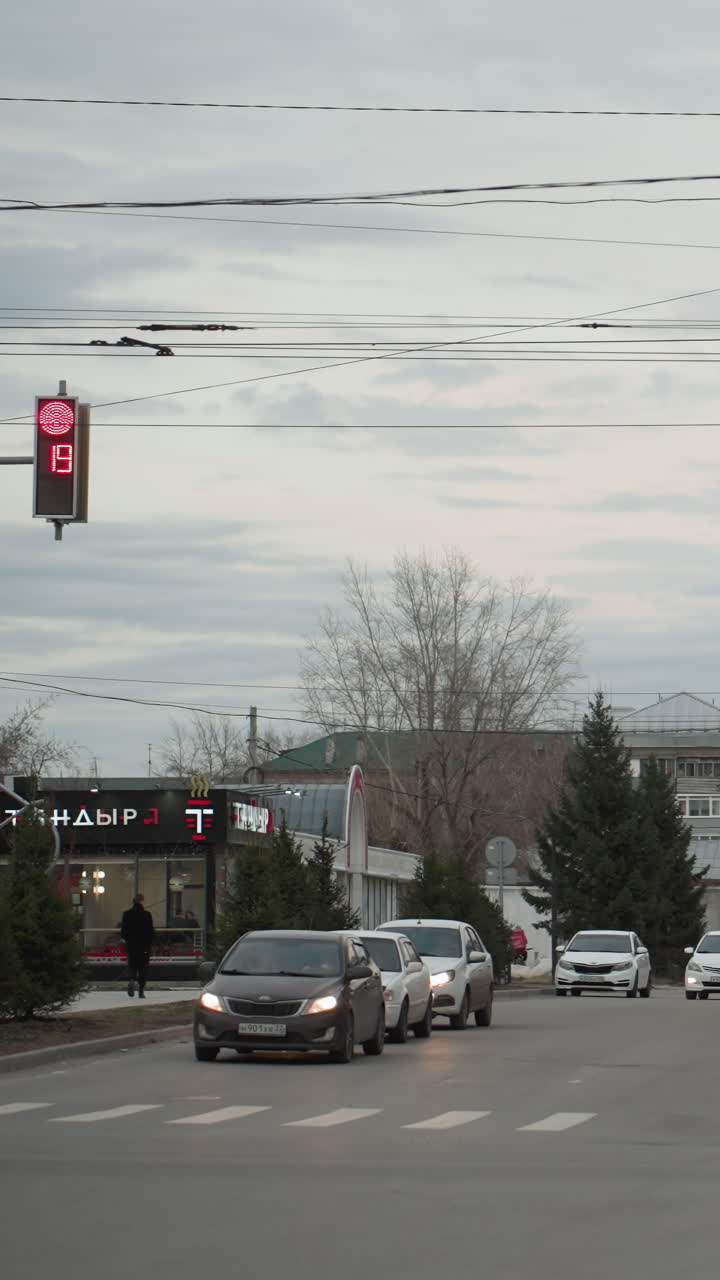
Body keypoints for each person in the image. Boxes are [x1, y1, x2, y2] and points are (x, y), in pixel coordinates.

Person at [120, 894, 155, 998]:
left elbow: (123, 931)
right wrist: (150, 944)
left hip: (131, 945)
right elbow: (150, 931)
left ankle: (131, 979)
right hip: (144, 946)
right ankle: (141, 990)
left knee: (132, 965)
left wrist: (127, 941)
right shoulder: (147, 915)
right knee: (143, 968)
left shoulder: (127, 914)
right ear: (142, 902)